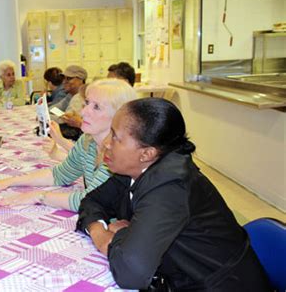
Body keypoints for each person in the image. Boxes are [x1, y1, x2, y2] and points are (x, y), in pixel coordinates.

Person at [76, 98, 271, 291]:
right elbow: (92, 201)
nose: (107, 144)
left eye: (116, 137)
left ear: (147, 153)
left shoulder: (170, 187)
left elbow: (131, 272)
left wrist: (123, 235)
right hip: (175, 277)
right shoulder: (135, 168)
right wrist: (99, 231)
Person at [0, 79, 137, 212]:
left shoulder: (118, 156)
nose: (83, 112)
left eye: (96, 107)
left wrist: (39, 196)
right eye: (87, 103)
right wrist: (11, 181)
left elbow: (90, 200)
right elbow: (60, 174)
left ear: (118, 117)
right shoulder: (88, 141)